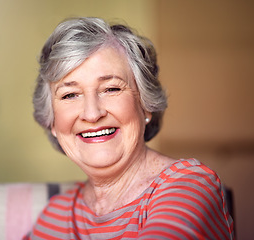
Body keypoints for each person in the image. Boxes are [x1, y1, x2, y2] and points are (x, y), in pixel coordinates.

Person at [26, 17, 234, 239]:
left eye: (111, 89)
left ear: (145, 105)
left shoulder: (189, 187)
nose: (92, 113)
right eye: (70, 95)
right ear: (53, 122)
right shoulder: (55, 214)